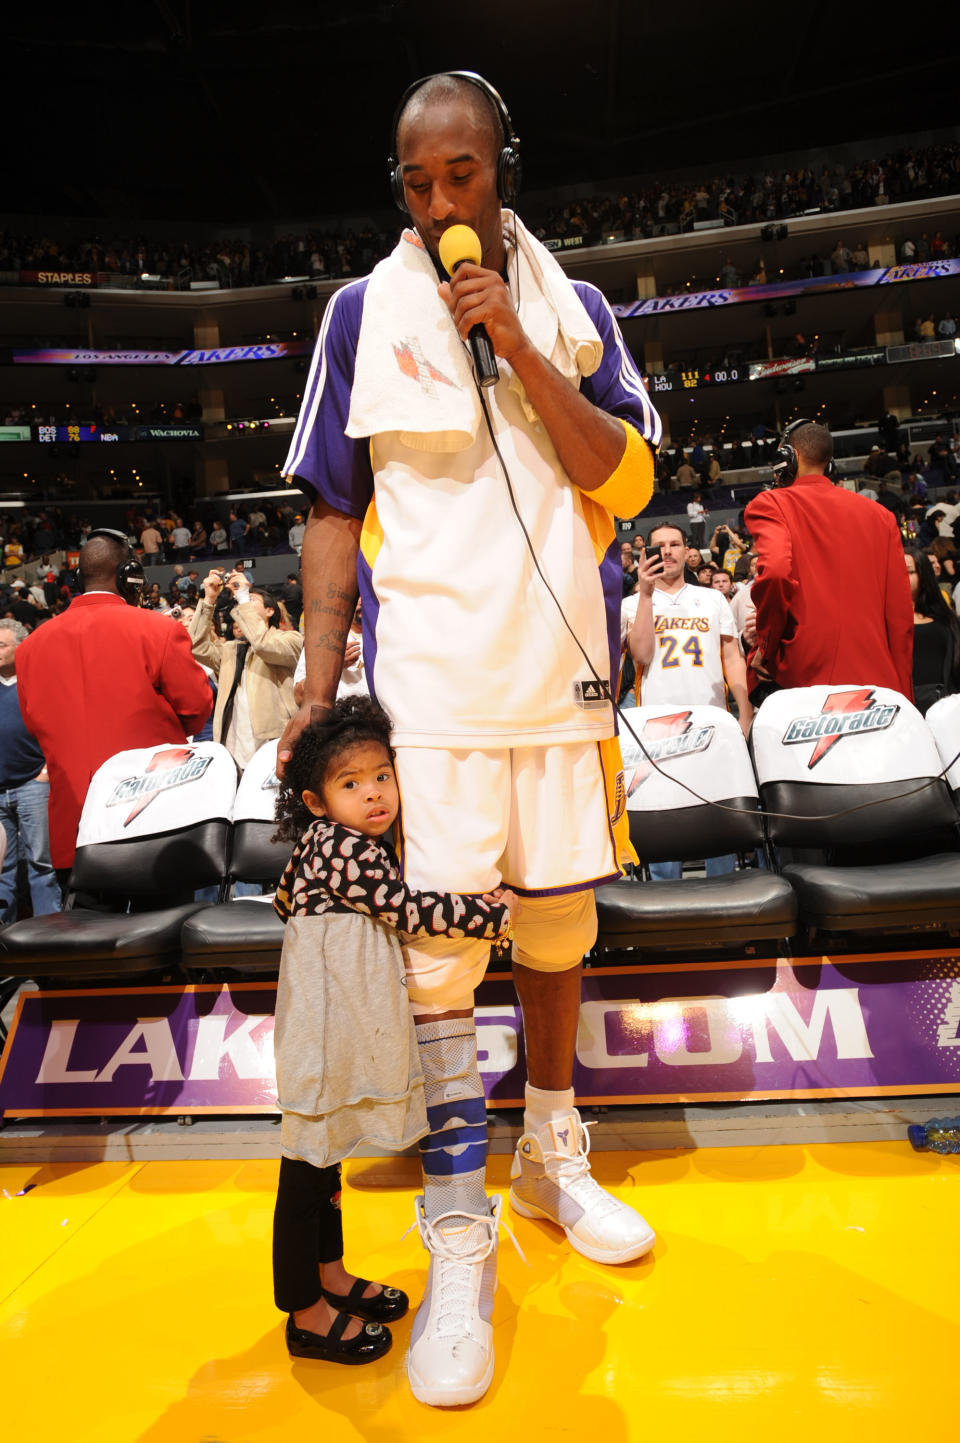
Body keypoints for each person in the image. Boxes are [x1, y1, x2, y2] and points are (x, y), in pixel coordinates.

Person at [277, 70, 661, 1407]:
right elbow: (331, 507)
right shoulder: (356, 313)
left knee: (555, 938)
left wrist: (517, 344)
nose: (441, 200)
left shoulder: (577, 308)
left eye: (465, 175)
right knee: (442, 964)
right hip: (428, 698)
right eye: (419, 180)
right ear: (401, 187)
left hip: (558, 688)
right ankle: (457, 1237)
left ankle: (554, 1157)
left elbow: (627, 475)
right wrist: (322, 701)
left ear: (505, 170)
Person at [270, 698, 512, 1366]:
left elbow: (284, 897)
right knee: (305, 1163)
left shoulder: (320, 845)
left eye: (382, 775)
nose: (373, 792)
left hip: (326, 1008)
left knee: (326, 1153)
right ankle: (305, 1310)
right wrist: (486, 916)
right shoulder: (349, 848)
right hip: (329, 1019)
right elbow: (406, 909)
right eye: (351, 784)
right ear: (317, 801)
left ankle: (332, 1273)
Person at [15, 530, 212, 874]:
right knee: (163, 925)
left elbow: (34, 728)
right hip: (152, 824)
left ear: (79, 577)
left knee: (83, 925)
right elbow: (196, 710)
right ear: (130, 576)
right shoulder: (159, 630)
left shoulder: (30, 647)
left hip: (74, 832)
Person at [744, 421, 913, 698]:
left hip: (808, 681)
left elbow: (775, 572)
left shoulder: (771, 503)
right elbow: (899, 615)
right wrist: (904, 695)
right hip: (881, 684)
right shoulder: (881, 516)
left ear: (790, 457)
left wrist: (766, 644)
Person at [625, 525, 751, 877]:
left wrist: (744, 705)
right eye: (659, 546)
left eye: (675, 544)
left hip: (712, 720)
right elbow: (642, 653)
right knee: (665, 814)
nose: (667, 551)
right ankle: (668, 901)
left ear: (686, 550)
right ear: (647, 553)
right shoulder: (631, 605)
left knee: (717, 814)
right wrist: (646, 595)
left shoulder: (712, 599)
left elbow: (732, 654)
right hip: (657, 727)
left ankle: (726, 892)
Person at [188, 569, 302, 769]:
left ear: (270, 611)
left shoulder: (291, 639)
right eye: (243, 600)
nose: (244, 604)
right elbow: (195, 645)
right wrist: (209, 599)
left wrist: (242, 596)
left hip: (274, 746)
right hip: (233, 749)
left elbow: (263, 644)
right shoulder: (232, 649)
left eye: (252, 600)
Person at [0, 621, 61, 923]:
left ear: (19, 647)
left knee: (40, 862)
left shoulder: (36, 680)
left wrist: (46, 772)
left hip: (32, 783)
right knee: (2, 869)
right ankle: (5, 945)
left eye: (2, 645)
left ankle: (51, 938)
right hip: (0, 789)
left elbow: (58, 727)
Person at [904, 548, 960, 714]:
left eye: (908, 571)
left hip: (945, 708)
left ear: (923, 575)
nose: (900, 577)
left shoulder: (945, 618)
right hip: (905, 709)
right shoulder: (882, 620)